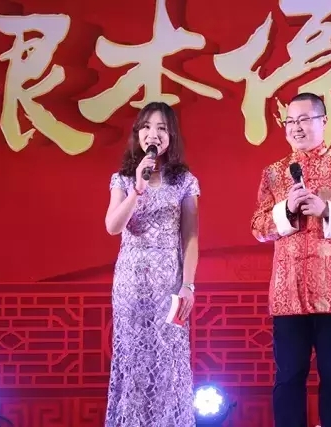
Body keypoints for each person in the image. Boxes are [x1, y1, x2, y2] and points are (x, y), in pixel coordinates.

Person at [250, 93, 331, 427]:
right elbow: (258, 227)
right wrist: (286, 210)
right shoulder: (274, 173)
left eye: (304, 119)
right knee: (288, 377)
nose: (296, 127)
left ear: (323, 121)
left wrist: (328, 210)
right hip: (288, 296)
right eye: (290, 121)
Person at [104, 101, 200, 427]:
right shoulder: (123, 179)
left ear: (171, 136)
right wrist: (137, 189)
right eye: (146, 127)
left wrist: (188, 285)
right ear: (137, 134)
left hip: (169, 286)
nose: (153, 134)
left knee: (169, 362)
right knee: (133, 361)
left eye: (161, 128)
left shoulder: (184, 182)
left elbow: (190, 238)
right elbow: (113, 226)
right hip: (130, 285)